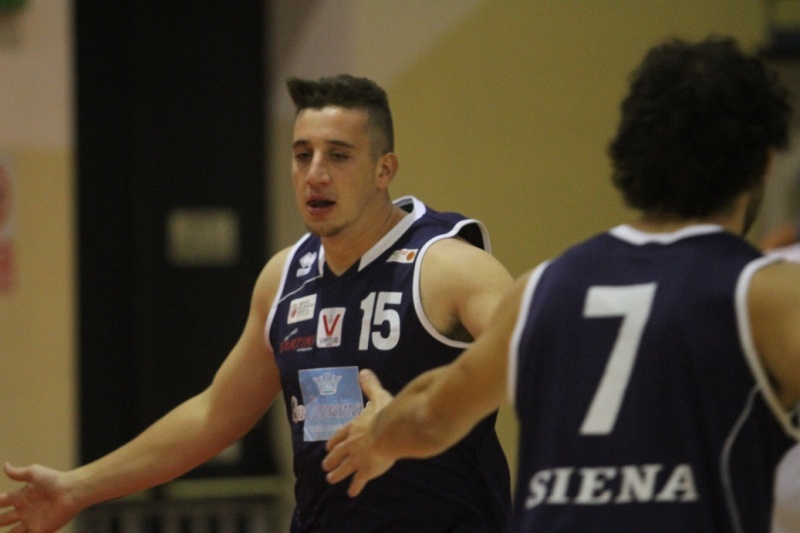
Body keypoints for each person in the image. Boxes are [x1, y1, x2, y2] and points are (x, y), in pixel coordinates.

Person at [323, 37, 800, 532]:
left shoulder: (540, 289)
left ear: (633, 150)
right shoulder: (766, 295)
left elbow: (429, 417)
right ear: (765, 161)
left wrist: (381, 430)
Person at [0, 74, 513, 532]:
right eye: (302, 154)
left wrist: (413, 418)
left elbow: (538, 360)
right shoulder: (284, 277)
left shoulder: (448, 266)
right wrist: (77, 488)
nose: (315, 174)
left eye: (338, 155)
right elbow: (214, 415)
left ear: (384, 170)